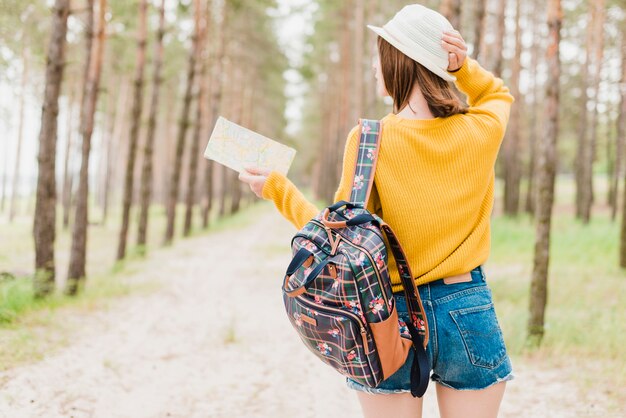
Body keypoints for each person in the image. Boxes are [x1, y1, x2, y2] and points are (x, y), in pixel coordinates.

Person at [238, 4, 515, 418]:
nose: (373, 65)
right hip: (467, 304)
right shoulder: (480, 129)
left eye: (380, 53)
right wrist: (463, 68)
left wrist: (277, 188)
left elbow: (338, 239)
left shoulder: (371, 140)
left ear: (400, 61)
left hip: (390, 315)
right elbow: (497, 94)